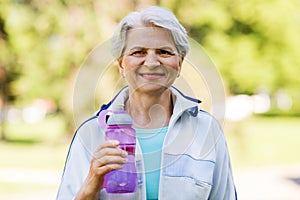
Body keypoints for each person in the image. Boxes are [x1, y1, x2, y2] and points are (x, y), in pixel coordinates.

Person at [56, 6, 237, 200]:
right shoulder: (91, 133)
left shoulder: (207, 131)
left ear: (180, 64)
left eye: (164, 52)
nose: (151, 62)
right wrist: (90, 185)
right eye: (139, 52)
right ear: (121, 65)